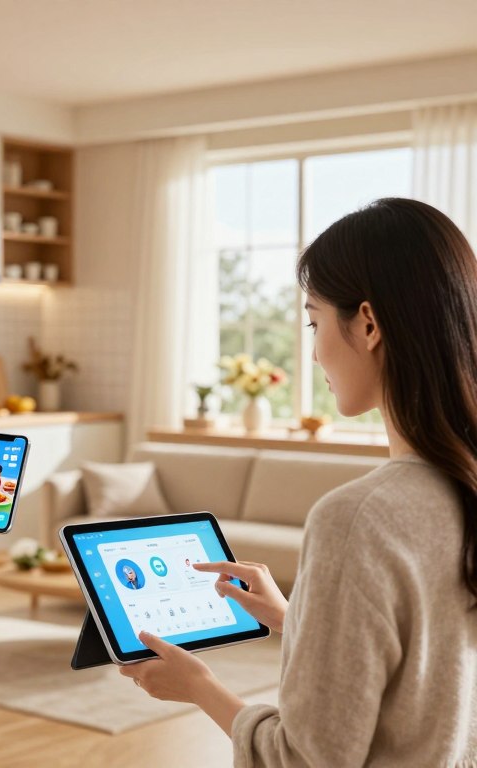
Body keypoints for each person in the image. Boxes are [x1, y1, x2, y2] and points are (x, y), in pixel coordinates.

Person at [120, 199, 477, 765]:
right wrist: (298, 622)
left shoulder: (360, 518)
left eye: (314, 322)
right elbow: (433, 679)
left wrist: (198, 686)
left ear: (368, 323)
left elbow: (306, 760)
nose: (312, 353)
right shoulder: (461, 491)